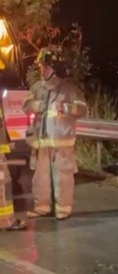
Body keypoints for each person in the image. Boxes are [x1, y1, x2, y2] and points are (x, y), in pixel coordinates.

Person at [23, 47, 87, 220]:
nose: (41, 69)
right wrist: (37, 106)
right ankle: (42, 207)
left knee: (63, 176)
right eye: (41, 66)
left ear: (54, 67)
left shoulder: (69, 89)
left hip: (61, 143)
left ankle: (63, 209)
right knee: (40, 178)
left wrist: (66, 108)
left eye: (44, 66)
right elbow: (26, 106)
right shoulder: (37, 88)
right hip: (41, 142)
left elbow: (82, 109)